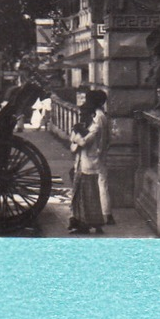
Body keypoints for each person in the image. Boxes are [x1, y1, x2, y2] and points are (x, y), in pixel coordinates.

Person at [68, 89, 111, 233]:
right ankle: (95, 219)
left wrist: (77, 135)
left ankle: (97, 219)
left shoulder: (97, 118)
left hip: (92, 158)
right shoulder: (99, 116)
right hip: (92, 157)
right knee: (93, 189)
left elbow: (86, 140)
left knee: (92, 191)